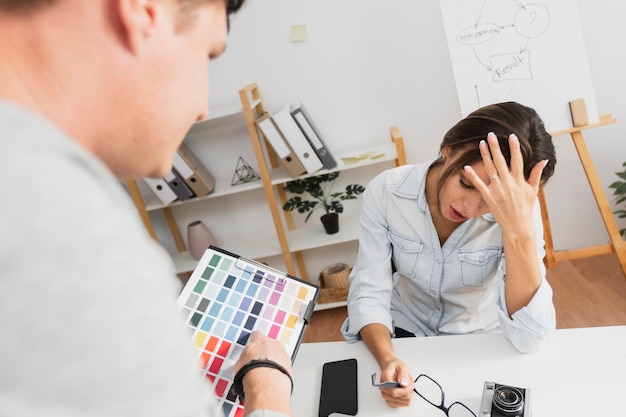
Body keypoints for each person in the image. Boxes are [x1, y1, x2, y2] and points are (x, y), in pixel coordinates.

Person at [0, 1, 293, 416]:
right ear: (143, 12)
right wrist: (268, 384)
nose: (202, 106)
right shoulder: (70, 231)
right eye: (208, 54)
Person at [341, 102, 557, 407]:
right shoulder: (388, 192)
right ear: (448, 150)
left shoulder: (518, 211)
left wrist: (517, 229)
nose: (470, 208)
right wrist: (388, 359)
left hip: (476, 341)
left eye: (489, 202)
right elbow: (369, 290)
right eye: (466, 184)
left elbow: (531, 337)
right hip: (404, 332)